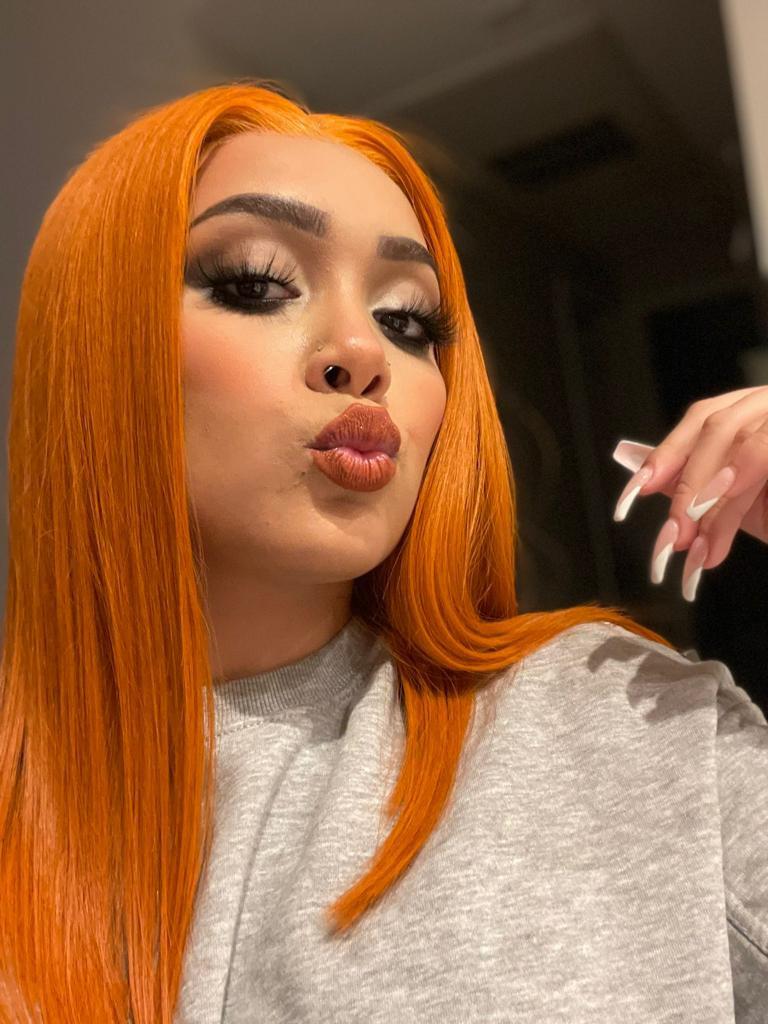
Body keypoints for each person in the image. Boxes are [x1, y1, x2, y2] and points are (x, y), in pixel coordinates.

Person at [0, 79, 765, 1024]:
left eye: (407, 320)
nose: (362, 353)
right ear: (93, 350)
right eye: (253, 283)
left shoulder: (614, 723)